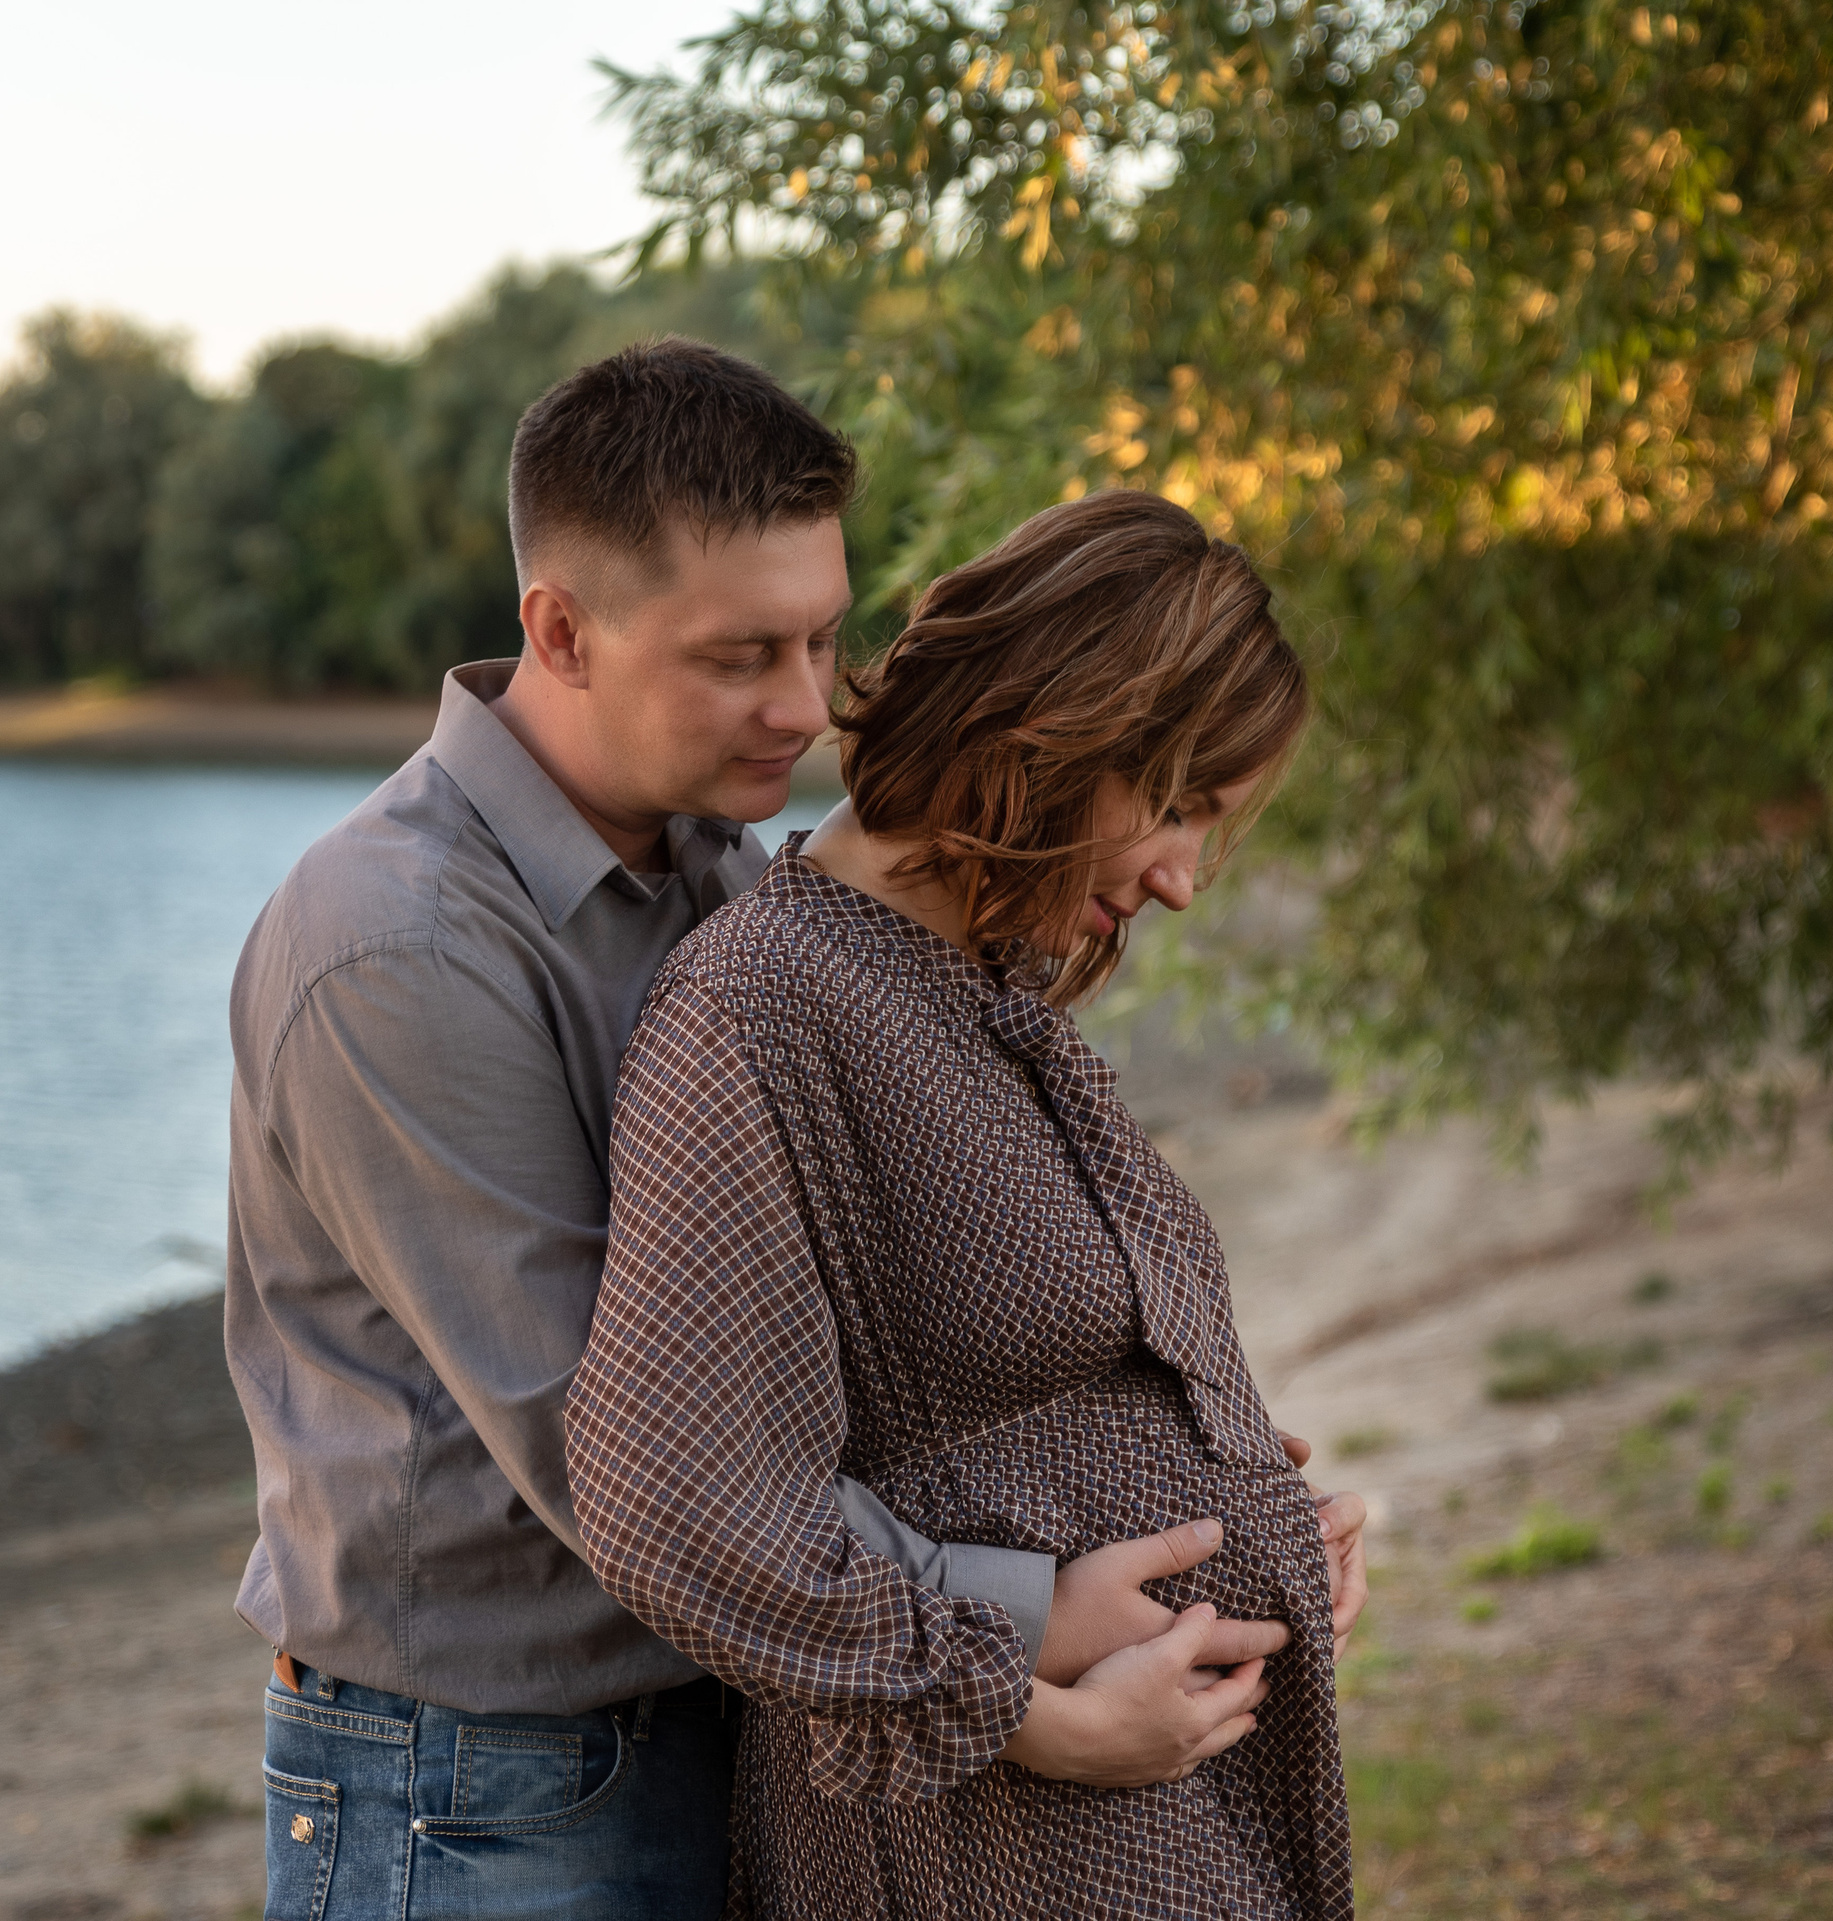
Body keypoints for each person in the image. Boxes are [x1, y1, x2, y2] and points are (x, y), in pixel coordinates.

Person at [224, 339, 1361, 1919]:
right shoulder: (398, 947)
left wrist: (1203, 1484)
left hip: (739, 1718)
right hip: (486, 1786)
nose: (809, 703)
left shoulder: (725, 879)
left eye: (825, 636)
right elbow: (625, 1456)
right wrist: (1026, 1641)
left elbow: (842, 1350)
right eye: (744, 653)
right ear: (561, 629)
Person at [564, 489, 1356, 1917]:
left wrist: (1264, 1510)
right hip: (984, 1836)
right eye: (1173, 807)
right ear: (1055, 729)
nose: (1182, 879)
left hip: (1129, 1810)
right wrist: (1001, 1689)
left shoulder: (983, 985)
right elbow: (669, 1499)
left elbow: (1032, 1384)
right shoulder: (763, 1003)